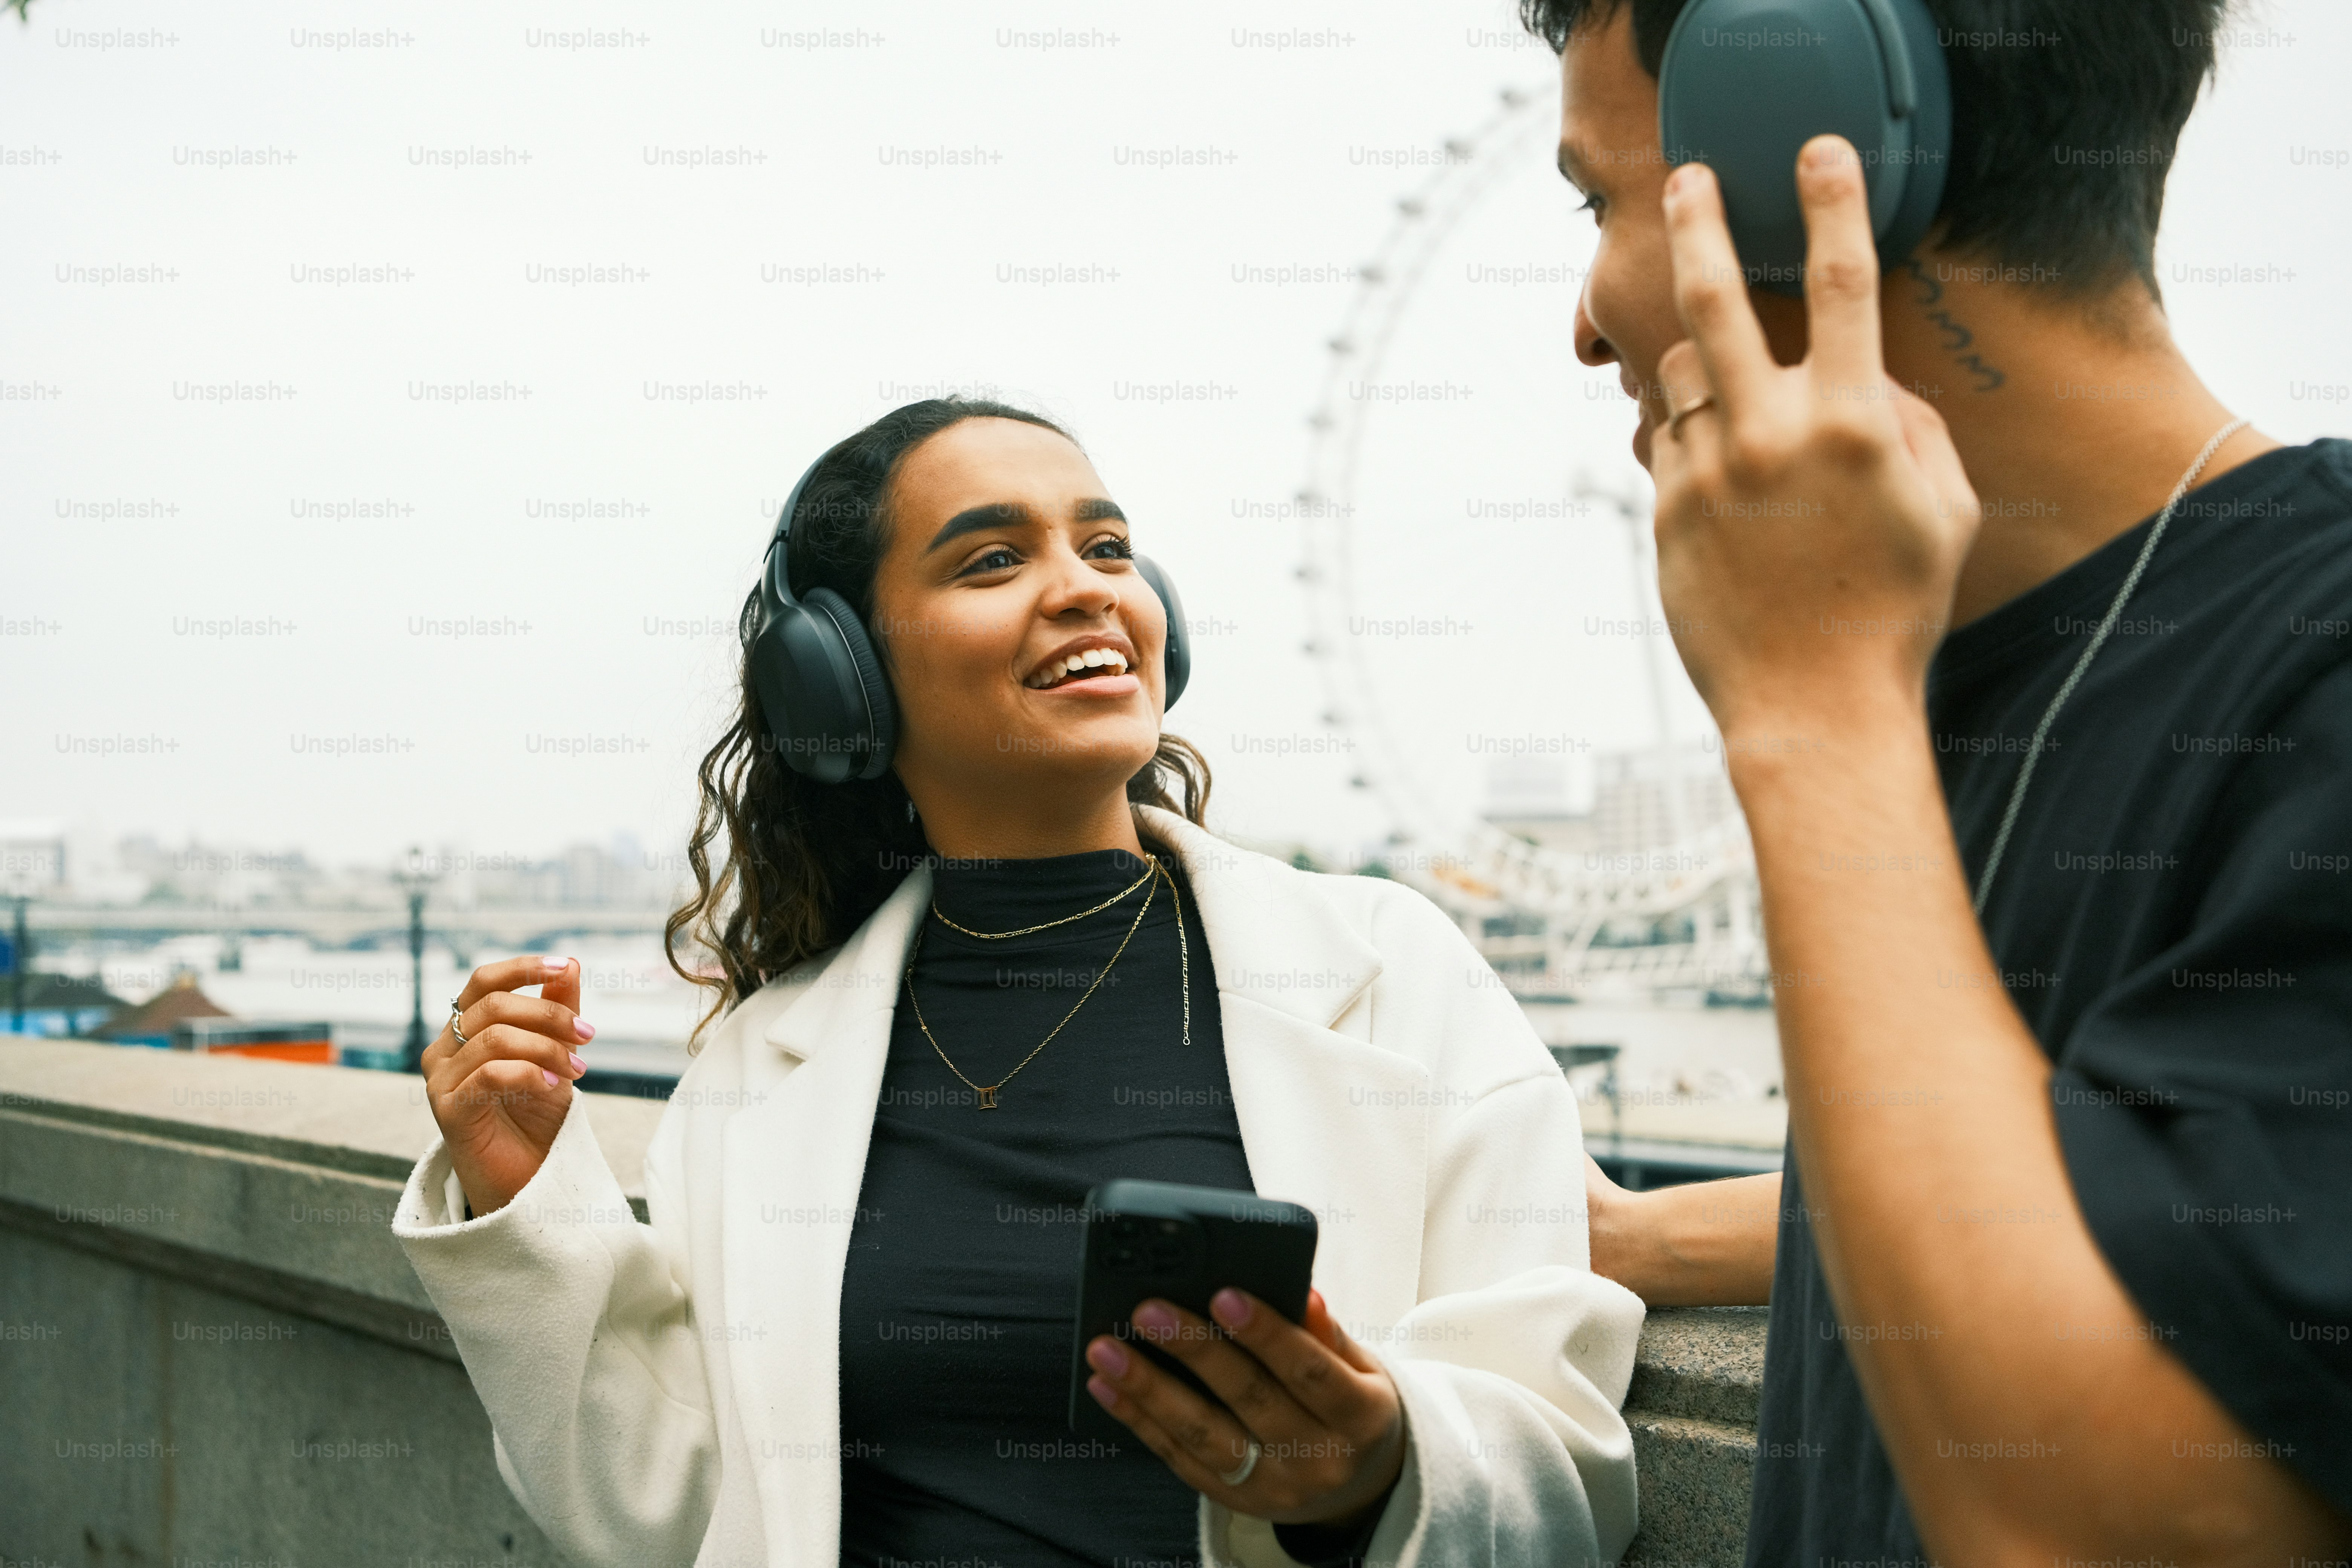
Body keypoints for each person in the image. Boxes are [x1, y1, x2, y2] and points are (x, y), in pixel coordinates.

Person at [390, 398, 1646, 1568]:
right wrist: (524, 1206)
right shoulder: (759, 1064)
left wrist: (1378, 1468)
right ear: (842, 676)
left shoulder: (1396, 973)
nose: (1088, 591)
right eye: (993, 561)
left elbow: (1568, 1452)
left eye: (1108, 549)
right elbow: (677, 1512)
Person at [1519, 0, 2352, 1560]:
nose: (1583, 317)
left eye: (1597, 200)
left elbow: (2103, 1521)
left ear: (1793, 149)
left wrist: (1812, 708)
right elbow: (2092, 1171)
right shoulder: (1980, 674)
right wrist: (1632, 1234)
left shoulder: (2315, 676)